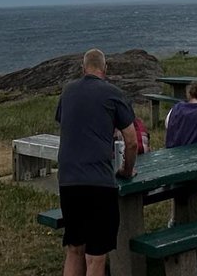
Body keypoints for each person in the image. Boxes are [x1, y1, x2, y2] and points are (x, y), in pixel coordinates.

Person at [55, 49, 139, 276]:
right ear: (106, 69)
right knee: (96, 256)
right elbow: (132, 142)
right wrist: (126, 170)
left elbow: (66, 124)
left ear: (83, 69)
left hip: (68, 180)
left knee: (74, 248)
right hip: (98, 182)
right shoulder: (113, 94)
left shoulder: (68, 92)